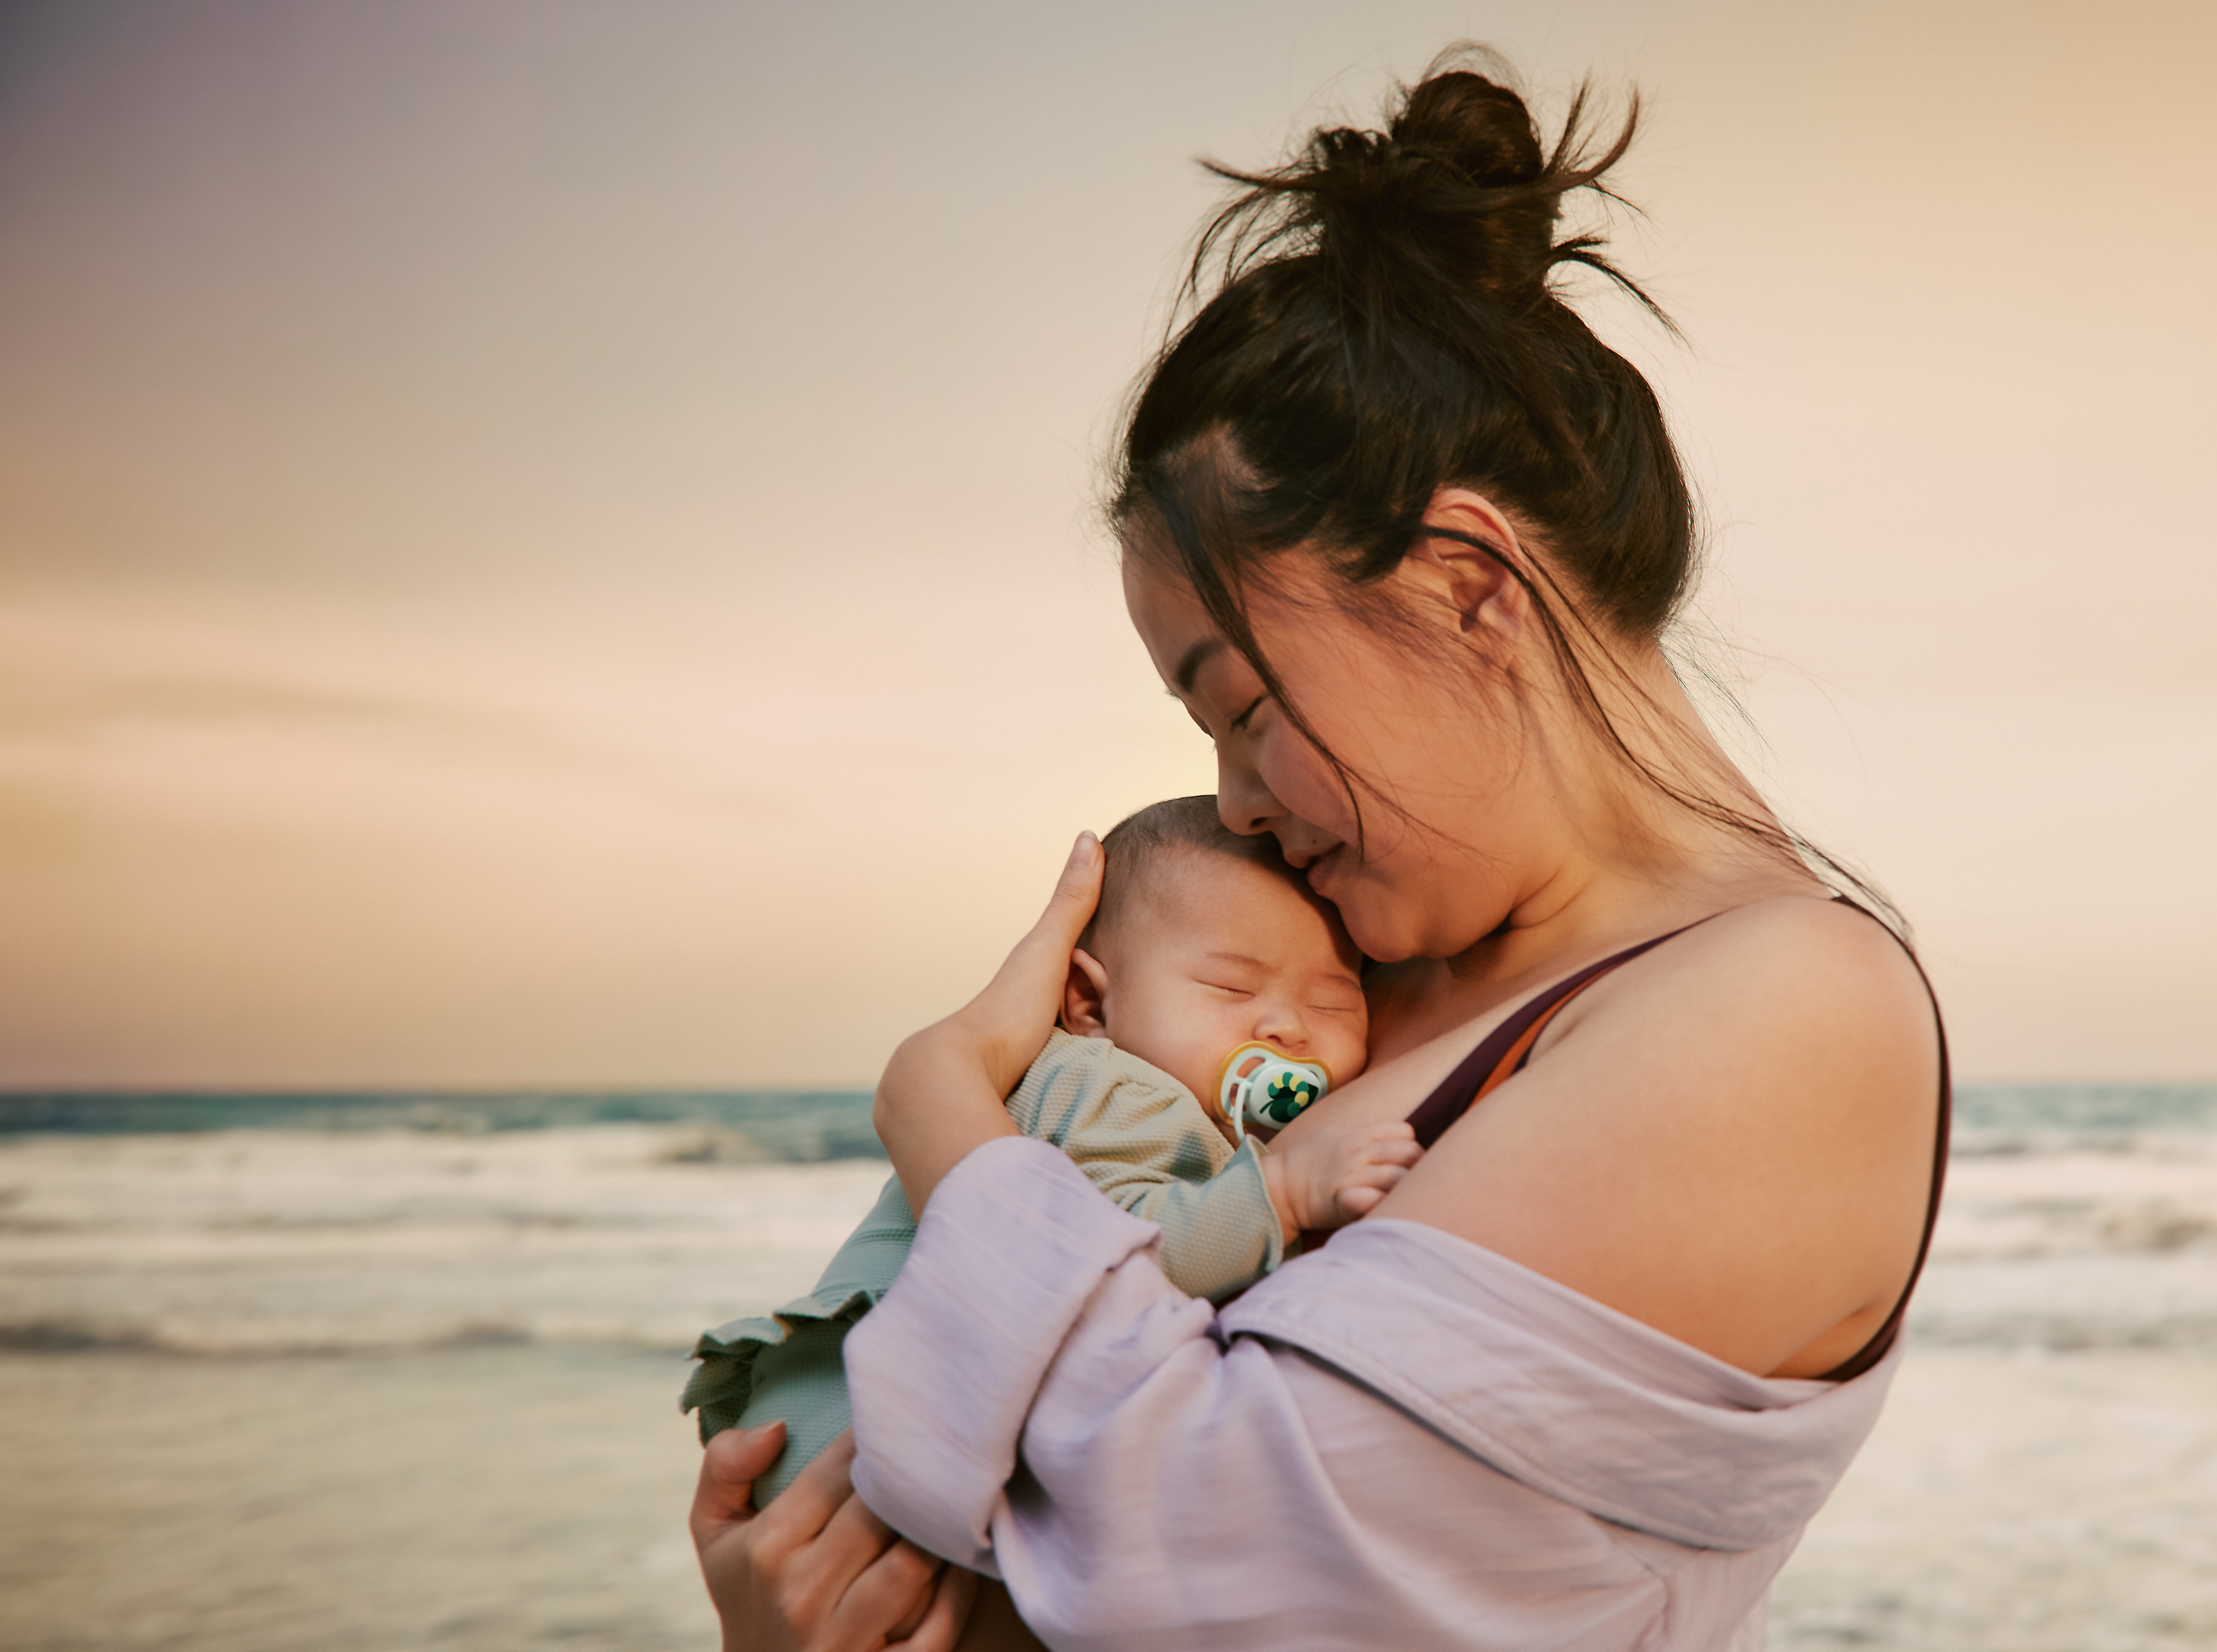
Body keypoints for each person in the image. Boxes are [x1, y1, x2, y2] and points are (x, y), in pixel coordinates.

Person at [688, 52, 1950, 1651]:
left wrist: (940, 1106)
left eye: (1241, 703)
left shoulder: (1781, 1016)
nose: (1228, 803)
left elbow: (1188, 1535)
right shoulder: (1356, 966)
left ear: (1464, 588)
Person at [679, 795, 1408, 1504]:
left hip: (837, 1418)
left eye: (1332, 1002)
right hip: (856, 1425)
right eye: (1229, 986)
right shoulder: (1116, 1087)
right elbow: (1108, 1256)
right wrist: (1277, 1197)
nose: (1286, 1026)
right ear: (1090, 1005)